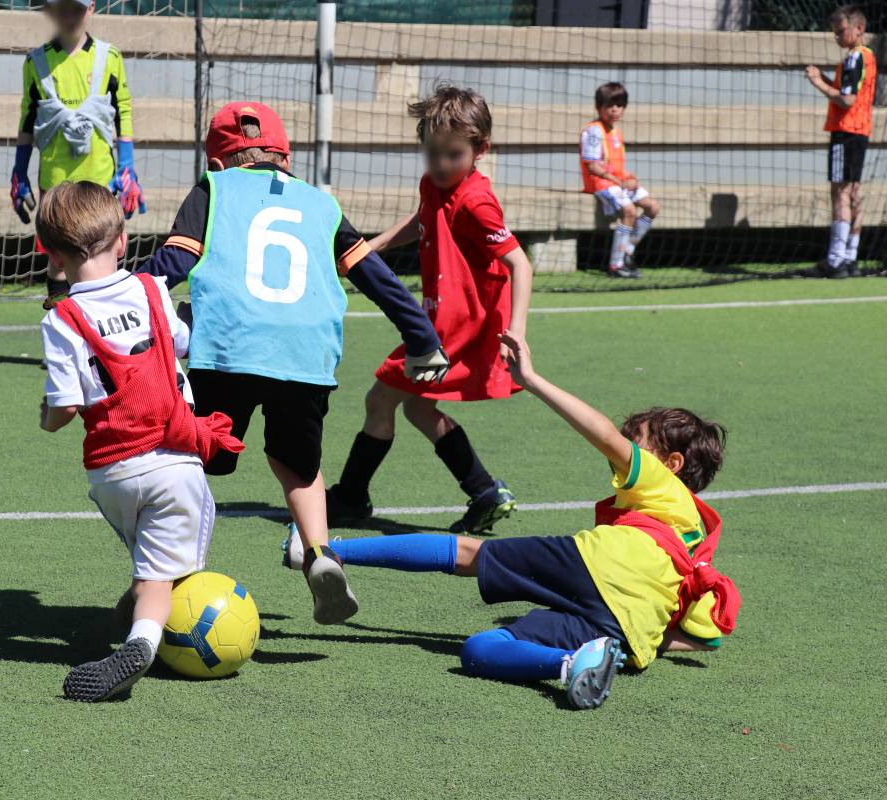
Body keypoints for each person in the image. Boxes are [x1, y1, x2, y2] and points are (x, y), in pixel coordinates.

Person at [284, 330, 741, 709]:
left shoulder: (662, 483)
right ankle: (572, 664)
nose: (627, 446)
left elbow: (601, 434)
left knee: (467, 553)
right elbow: (707, 639)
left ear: (673, 463)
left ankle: (324, 548)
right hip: (624, 634)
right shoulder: (696, 541)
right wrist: (648, 634)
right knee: (480, 650)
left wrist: (532, 378)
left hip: (605, 567)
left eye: (637, 442)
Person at [140, 101, 448, 626]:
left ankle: (166, 578)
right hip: (306, 354)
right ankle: (320, 553)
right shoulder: (320, 204)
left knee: (194, 457)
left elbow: (174, 262)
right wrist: (422, 338)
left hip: (229, 346)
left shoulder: (213, 189)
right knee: (297, 464)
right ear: (285, 157)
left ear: (217, 162)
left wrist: (115, 298)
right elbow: (373, 275)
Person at [37, 182, 241, 702]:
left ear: (53, 255)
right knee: (163, 577)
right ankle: (143, 646)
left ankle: (133, 614)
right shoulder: (151, 289)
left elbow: (61, 409)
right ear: (123, 241)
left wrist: (46, 418)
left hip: (111, 474)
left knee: (151, 561)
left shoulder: (61, 318)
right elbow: (187, 343)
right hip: (173, 458)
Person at [326, 86, 533, 536]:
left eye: (453, 155)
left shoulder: (477, 201)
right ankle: (484, 491)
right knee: (418, 407)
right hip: (439, 318)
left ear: (481, 150)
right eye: (432, 153)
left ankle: (349, 497)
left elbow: (520, 263)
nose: (441, 165)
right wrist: (374, 246)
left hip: (453, 327)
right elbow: (424, 217)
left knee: (380, 398)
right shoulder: (435, 184)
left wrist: (517, 331)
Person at [13, 0, 146, 309]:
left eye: (77, 8)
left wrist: (126, 165)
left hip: (100, 178)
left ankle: (105, 339)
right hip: (56, 179)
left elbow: (122, 111)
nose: (69, 16)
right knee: (59, 259)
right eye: (62, 8)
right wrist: (19, 171)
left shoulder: (109, 57)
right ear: (50, 10)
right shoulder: (36, 62)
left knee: (105, 254)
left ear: (91, 9)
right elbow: (27, 118)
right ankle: (61, 328)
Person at [806, 4, 877, 278]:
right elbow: (847, 92)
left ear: (859, 28)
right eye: (834, 32)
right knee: (853, 191)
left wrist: (817, 83)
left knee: (840, 192)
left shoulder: (854, 58)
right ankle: (850, 256)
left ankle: (835, 260)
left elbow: (846, 100)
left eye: (841, 30)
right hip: (860, 131)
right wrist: (825, 79)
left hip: (846, 131)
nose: (836, 36)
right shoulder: (864, 57)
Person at [580, 82, 660, 279]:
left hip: (617, 182)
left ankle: (627, 250)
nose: (614, 109)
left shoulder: (615, 132)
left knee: (652, 207)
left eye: (619, 105)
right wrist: (618, 181)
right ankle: (616, 264)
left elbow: (616, 166)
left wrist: (630, 178)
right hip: (601, 184)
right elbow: (592, 165)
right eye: (609, 105)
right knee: (629, 210)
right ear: (599, 107)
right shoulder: (593, 131)